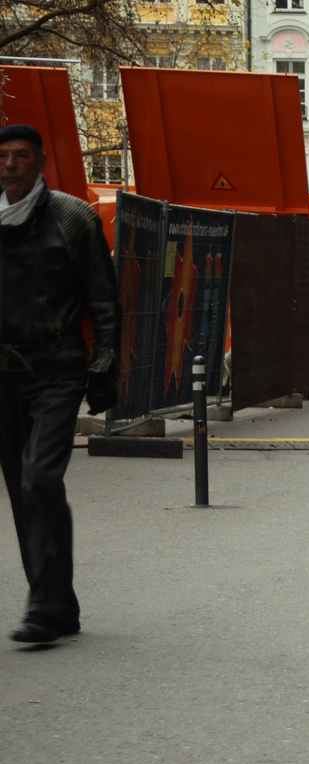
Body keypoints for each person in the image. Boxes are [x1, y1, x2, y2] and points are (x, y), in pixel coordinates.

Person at [0, 123, 119, 644]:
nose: (10, 165)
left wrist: (106, 366)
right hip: (3, 375)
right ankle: (54, 605)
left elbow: (103, 300)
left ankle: (46, 604)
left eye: (21, 156)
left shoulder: (73, 218)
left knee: (38, 479)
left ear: (41, 162)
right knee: (22, 491)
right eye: (3, 156)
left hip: (57, 371)